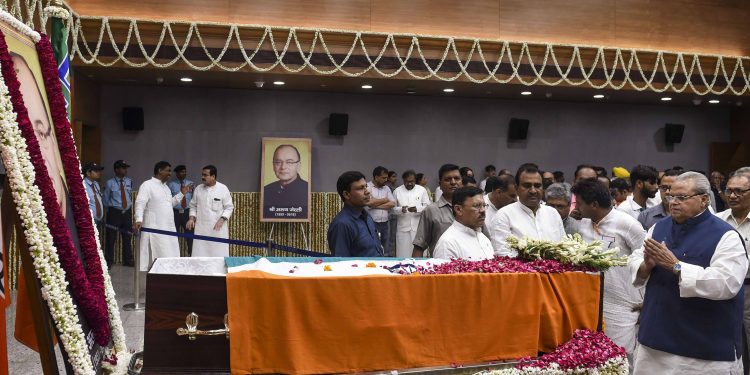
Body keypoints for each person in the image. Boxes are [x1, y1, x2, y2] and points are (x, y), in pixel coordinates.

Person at [628, 172, 747, 374]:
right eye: (670, 196)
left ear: (703, 199)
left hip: (703, 341)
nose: (673, 202)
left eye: (681, 197)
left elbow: (727, 283)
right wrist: (645, 266)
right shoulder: (658, 228)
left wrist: (676, 266)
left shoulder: (726, 235)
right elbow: (636, 257)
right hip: (656, 336)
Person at [572, 179, 646, 367]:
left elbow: (647, 261)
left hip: (623, 304)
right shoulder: (583, 223)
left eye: (579, 202)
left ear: (594, 205)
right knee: (594, 357)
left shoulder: (628, 224)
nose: (576, 206)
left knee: (619, 358)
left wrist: (648, 299)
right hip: (590, 302)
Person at [488, 164, 566, 256]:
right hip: (519, 270)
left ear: (543, 189)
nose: (533, 191)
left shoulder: (553, 213)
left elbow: (563, 248)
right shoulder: (504, 215)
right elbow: (503, 255)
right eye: (527, 185)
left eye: (537, 186)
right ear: (516, 189)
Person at [715, 169, 750, 363]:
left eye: (739, 191)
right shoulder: (717, 220)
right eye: (729, 191)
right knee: (724, 338)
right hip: (721, 289)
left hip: (748, 285)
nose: (733, 196)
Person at [134, 161, 191, 271]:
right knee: (158, 259)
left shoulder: (166, 188)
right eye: (168, 170)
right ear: (159, 170)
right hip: (155, 229)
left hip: (168, 228)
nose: (170, 173)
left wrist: (182, 193)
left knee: (169, 259)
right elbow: (140, 203)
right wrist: (138, 219)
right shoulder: (147, 185)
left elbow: (170, 204)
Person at [327, 171, 383, 257]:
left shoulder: (367, 216)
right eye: (360, 188)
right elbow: (341, 263)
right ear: (346, 194)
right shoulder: (342, 224)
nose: (367, 192)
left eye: (366, 186)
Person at [412, 164, 462, 257]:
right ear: (440, 185)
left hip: (471, 268)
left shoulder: (472, 209)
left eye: (457, 178)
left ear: (462, 182)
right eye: (448, 179)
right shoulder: (431, 211)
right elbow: (419, 247)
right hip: (441, 267)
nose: (453, 182)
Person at [433, 187, 494, 260]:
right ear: (458, 209)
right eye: (476, 206)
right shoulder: (448, 243)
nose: (483, 210)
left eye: (484, 205)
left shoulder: (483, 238)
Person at [186, 165, 234, 257]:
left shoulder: (223, 189)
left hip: (217, 229)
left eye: (205, 175)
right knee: (200, 255)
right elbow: (193, 206)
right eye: (202, 175)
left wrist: (222, 220)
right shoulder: (198, 189)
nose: (202, 177)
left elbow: (229, 207)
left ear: (213, 176)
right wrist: (191, 218)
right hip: (201, 229)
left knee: (218, 255)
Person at [262, 144, 309, 220]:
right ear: (273, 166)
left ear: (298, 166)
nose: (283, 167)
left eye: (289, 162)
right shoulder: (265, 190)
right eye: (278, 162)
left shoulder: (307, 190)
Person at [392, 170, 431, 258]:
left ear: (415, 180)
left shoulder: (422, 190)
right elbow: (392, 209)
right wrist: (401, 209)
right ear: (403, 180)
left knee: (419, 254)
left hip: (418, 227)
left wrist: (417, 209)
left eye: (412, 181)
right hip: (403, 228)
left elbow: (428, 206)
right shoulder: (397, 191)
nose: (409, 184)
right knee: (402, 253)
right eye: (407, 182)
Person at [103, 160, 134, 267]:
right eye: (123, 168)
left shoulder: (129, 181)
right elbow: (105, 199)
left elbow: (129, 196)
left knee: (127, 237)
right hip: (114, 213)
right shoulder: (109, 183)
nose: (126, 170)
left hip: (127, 213)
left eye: (126, 168)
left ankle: (128, 260)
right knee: (111, 238)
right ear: (116, 170)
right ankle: (109, 260)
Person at [366, 166, 396, 256]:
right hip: (372, 222)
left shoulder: (386, 188)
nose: (386, 180)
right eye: (384, 178)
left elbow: (393, 204)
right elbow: (369, 203)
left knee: (385, 247)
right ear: (376, 177)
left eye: (386, 177)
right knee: (373, 246)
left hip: (385, 223)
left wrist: (375, 204)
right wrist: (385, 199)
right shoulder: (367, 187)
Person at [168, 165, 194, 255]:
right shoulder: (171, 185)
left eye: (185, 171)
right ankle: (174, 255)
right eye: (182, 172)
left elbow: (194, 199)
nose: (184, 173)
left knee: (190, 236)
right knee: (174, 236)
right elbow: (169, 200)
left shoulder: (191, 183)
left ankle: (191, 255)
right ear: (177, 173)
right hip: (175, 213)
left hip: (187, 213)